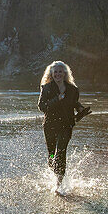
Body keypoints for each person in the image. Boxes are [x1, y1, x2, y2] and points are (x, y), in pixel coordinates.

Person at [37, 60, 90, 188]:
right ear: (52, 73)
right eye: (56, 72)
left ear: (65, 73)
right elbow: (41, 106)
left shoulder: (72, 89)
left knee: (61, 151)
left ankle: (58, 184)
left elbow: (74, 103)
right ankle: (53, 170)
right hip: (50, 126)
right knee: (51, 154)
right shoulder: (47, 88)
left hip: (66, 125)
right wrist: (57, 99)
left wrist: (81, 109)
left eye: (60, 71)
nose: (58, 74)